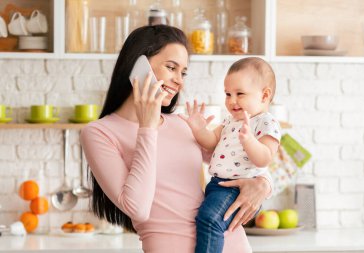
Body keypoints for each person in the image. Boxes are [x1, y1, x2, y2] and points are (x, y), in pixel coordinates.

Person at [80, 25, 273, 253]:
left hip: (232, 244)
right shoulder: (99, 133)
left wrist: (264, 184)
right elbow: (138, 208)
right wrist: (147, 127)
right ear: (138, 66)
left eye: (183, 73)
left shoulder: (182, 123)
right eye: (171, 67)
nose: (179, 81)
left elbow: (239, 159)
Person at [180, 57, 281, 253]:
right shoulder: (229, 121)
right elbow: (210, 141)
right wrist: (199, 129)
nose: (231, 101)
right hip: (216, 185)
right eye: (228, 94)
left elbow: (265, 158)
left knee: (209, 220)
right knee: (207, 221)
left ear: (264, 95)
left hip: (237, 189)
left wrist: (249, 141)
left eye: (240, 94)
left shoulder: (266, 122)